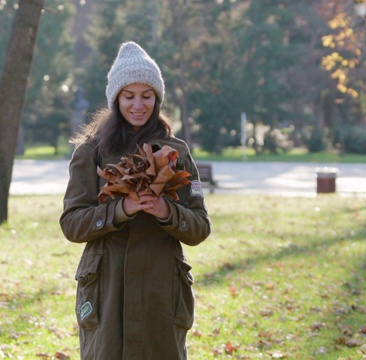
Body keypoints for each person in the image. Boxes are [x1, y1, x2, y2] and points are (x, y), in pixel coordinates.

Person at [59, 41, 211, 359]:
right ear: (116, 99)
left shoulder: (177, 153)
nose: (138, 105)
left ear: (157, 99)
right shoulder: (91, 152)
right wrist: (120, 209)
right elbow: (72, 225)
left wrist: (167, 210)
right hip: (107, 288)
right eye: (129, 96)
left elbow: (199, 227)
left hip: (161, 289)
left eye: (146, 96)